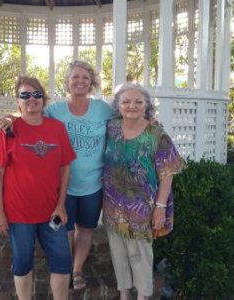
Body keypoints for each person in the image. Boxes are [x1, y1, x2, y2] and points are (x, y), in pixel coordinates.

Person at [0, 60, 117, 290]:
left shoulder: (102, 108)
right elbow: (31, 111)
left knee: (86, 229)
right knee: (64, 229)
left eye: (84, 77)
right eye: (75, 77)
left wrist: (150, 121)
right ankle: (64, 266)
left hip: (93, 184)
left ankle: (77, 269)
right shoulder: (56, 110)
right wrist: (12, 117)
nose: (80, 81)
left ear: (91, 81)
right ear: (67, 82)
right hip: (63, 188)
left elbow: (126, 118)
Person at [0, 76, 76, 300]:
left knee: (62, 261)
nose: (32, 99)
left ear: (43, 99)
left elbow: (65, 167)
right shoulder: (8, 131)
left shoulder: (57, 128)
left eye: (37, 94)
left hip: (52, 212)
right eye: (25, 95)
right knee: (22, 262)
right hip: (18, 213)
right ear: (17, 100)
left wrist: (61, 205)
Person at [102, 83, 185, 300]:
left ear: (146, 106)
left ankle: (144, 295)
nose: (132, 106)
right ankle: (124, 293)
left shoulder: (157, 133)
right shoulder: (111, 127)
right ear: (118, 106)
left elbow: (167, 173)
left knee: (140, 254)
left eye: (138, 101)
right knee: (118, 252)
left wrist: (160, 207)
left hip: (143, 207)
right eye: (126, 101)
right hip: (113, 204)